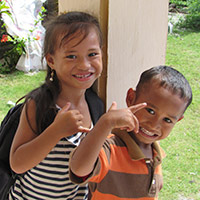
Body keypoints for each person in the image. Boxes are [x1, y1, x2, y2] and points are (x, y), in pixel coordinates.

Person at [9, 11, 104, 200]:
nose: (85, 65)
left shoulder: (96, 106)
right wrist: (56, 131)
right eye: (71, 56)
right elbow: (17, 163)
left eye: (92, 54)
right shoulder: (40, 105)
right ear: (51, 60)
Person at [69, 65, 193, 200]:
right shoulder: (110, 148)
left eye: (167, 120)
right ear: (130, 98)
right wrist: (105, 123)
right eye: (150, 111)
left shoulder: (156, 155)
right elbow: (79, 169)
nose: (154, 125)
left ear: (178, 121)